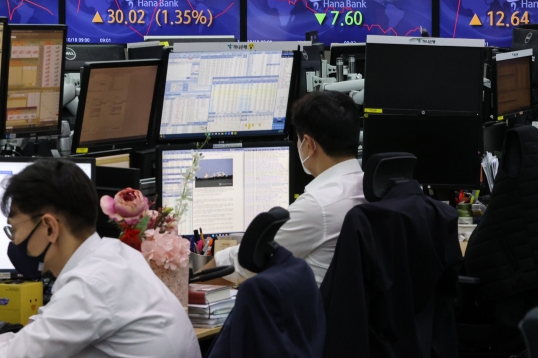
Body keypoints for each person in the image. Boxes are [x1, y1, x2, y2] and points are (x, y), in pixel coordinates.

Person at [0, 159, 200, 358]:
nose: (14, 239)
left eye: (14, 229)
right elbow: (33, 338)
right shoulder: (117, 256)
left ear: (50, 227)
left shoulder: (89, 286)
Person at [213, 91, 365, 286]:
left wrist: (187, 281)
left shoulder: (317, 207)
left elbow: (245, 262)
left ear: (309, 144)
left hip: (311, 313)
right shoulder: (368, 190)